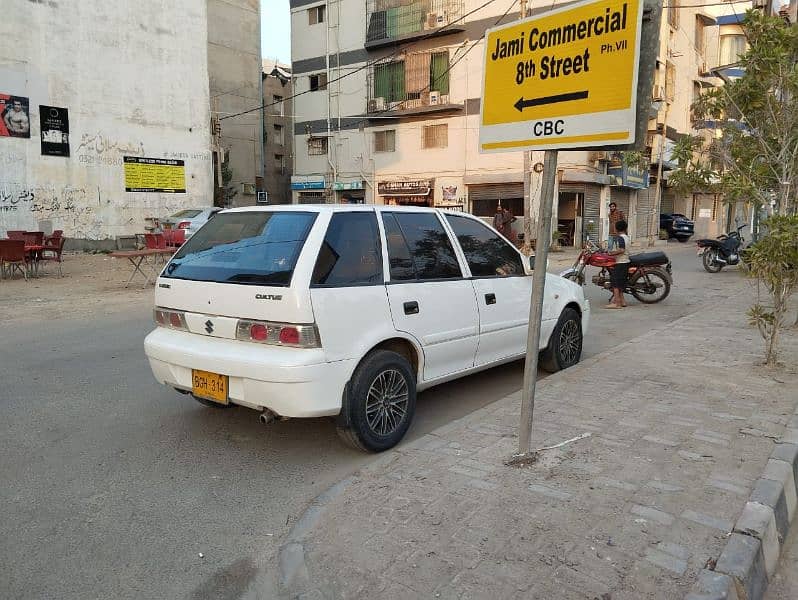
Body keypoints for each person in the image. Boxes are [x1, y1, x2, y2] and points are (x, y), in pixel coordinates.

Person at [606, 219, 630, 309]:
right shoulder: (626, 237)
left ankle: (617, 303)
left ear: (616, 229)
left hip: (621, 262)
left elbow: (621, 250)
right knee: (620, 283)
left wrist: (611, 253)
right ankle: (622, 301)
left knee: (615, 283)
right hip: (625, 261)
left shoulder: (620, 238)